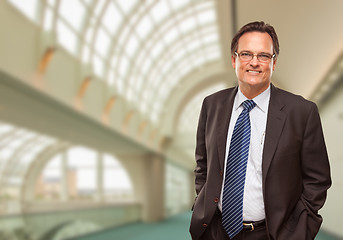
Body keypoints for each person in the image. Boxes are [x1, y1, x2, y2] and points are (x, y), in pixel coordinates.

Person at [189, 21, 331, 240]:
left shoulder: (302, 112)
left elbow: (317, 180)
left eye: (263, 56)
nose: (254, 62)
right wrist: (204, 201)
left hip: (272, 233)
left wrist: (299, 231)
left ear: (273, 63)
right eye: (246, 54)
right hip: (216, 231)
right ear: (234, 59)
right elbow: (203, 165)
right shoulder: (212, 105)